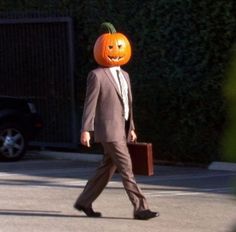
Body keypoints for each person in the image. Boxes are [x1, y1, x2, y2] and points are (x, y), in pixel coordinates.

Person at [74, 22, 159, 220]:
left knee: (107, 168)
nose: (116, 51)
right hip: (108, 130)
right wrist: (86, 129)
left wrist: (132, 128)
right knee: (126, 167)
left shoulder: (126, 75)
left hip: (122, 129)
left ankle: (84, 201)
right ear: (102, 50)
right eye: (111, 47)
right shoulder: (96, 75)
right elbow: (90, 103)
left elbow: (128, 106)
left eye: (119, 47)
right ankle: (140, 208)